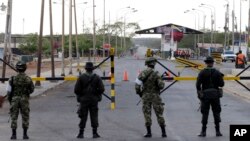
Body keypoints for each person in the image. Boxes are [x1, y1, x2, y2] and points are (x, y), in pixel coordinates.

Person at [135, 57, 167, 138]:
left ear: (147, 64)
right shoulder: (157, 73)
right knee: (159, 114)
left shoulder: (142, 73)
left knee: (147, 114)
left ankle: (149, 133)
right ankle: (163, 132)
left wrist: (140, 94)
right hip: (155, 96)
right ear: (154, 64)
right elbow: (161, 86)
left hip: (145, 96)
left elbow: (137, 85)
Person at [74, 62, 105, 139]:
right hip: (94, 100)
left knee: (83, 116)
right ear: (92, 69)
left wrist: (81, 96)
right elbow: (102, 89)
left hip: (84, 100)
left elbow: (76, 90)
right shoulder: (97, 77)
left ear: (85, 69)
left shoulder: (81, 77)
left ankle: (81, 133)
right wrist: (97, 95)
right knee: (94, 116)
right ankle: (95, 133)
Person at [196, 56, 225, 137]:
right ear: (212, 63)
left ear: (206, 63)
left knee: (205, 113)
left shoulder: (202, 72)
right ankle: (218, 131)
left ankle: (203, 131)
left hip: (205, 95)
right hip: (215, 95)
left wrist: (200, 93)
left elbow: (198, 85)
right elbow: (222, 84)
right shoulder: (217, 72)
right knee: (216, 112)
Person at [7, 61, 34, 140]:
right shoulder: (28, 79)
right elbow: (32, 90)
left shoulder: (12, 79)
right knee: (25, 116)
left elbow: (8, 91)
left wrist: (10, 100)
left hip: (14, 99)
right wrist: (26, 93)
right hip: (24, 99)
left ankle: (13, 135)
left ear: (17, 68)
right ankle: (25, 135)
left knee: (14, 117)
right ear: (25, 68)